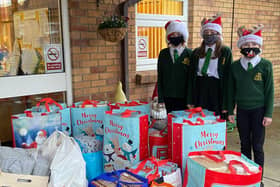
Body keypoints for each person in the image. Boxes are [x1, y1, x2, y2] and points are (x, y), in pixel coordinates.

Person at [228, 24, 274, 186]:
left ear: (259, 46)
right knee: (244, 143)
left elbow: (269, 91)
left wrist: (268, 113)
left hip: (259, 111)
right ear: (241, 46)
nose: (250, 48)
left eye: (254, 45)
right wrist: (230, 110)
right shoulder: (235, 67)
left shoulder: (265, 65)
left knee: (257, 146)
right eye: (246, 45)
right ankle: (247, 176)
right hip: (242, 111)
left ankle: (258, 179)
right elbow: (231, 90)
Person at [188, 14, 233, 119]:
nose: (209, 35)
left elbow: (228, 78)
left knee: (216, 119)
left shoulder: (225, 51)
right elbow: (191, 78)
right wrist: (190, 100)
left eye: (212, 32)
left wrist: (227, 104)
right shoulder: (196, 52)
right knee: (200, 118)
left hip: (216, 89)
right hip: (200, 87)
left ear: (218, 34)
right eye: (206, 32)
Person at [157, 20, 192, 113]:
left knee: (183, 123)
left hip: (184, 97)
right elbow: (160, 76)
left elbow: (192, 79)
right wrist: (160, 98)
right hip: (168, 96)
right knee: (171, 121)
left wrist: (190, 99)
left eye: (178, 34)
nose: (175, 37)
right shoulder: (163, 54)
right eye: (172, 34)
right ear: (168, 37)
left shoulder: (190, 54)